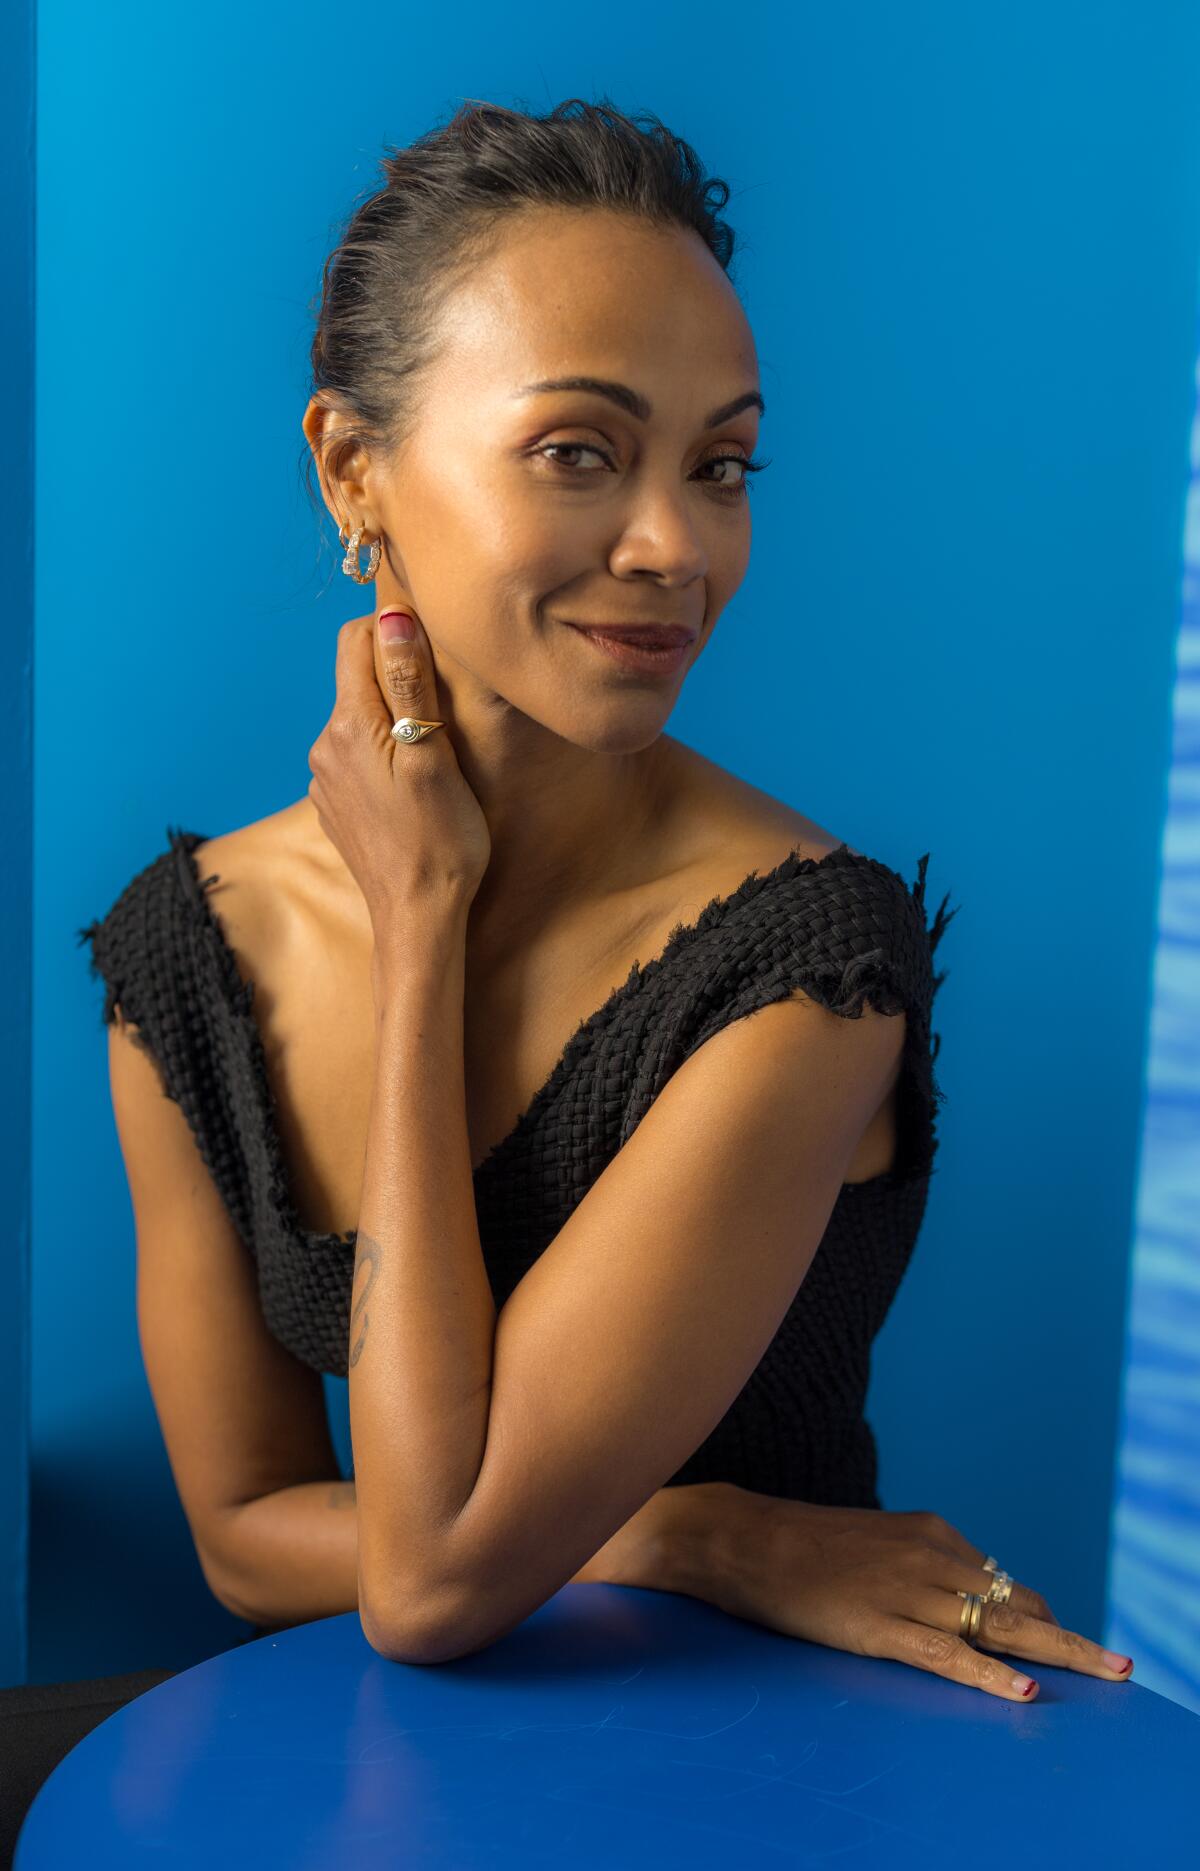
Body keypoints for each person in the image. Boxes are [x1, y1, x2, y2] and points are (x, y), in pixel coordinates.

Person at [6, 91, 1133, 1864]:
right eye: (580, 451)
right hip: (391, 1788)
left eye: (722, 463)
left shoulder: (810, 963)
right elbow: (243, 1531)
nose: (679, 546)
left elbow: (431, 1569)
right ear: (351, 469)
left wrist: (423, 924)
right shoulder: (187, 958)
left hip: (781, 1779)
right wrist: (705, 1532)